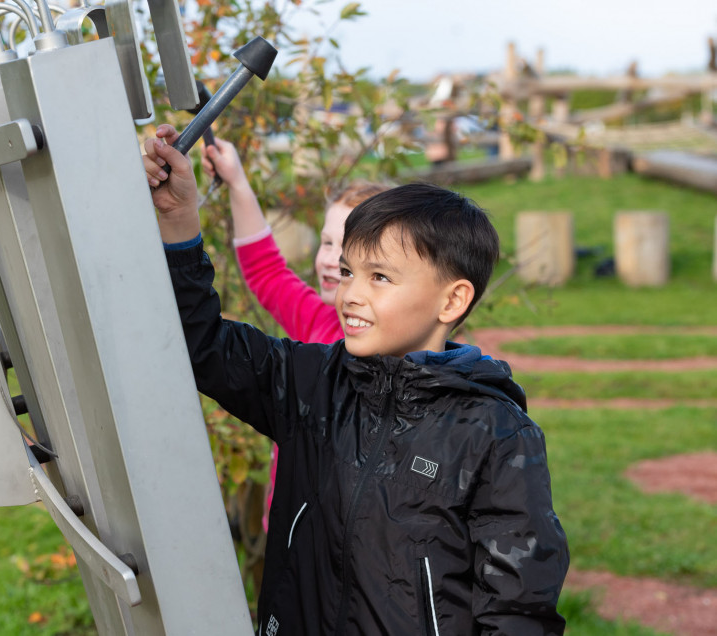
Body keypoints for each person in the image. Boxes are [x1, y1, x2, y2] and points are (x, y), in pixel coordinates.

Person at [144, 124, 569, 635]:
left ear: (452, 300)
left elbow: (517, 610)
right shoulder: (310, 385)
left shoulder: (495, 435)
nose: (350, 294)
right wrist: (178, 222)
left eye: (380, 277)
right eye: (347, 272)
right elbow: (203, 342)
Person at [202, 138, 389, 530]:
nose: (327, 259)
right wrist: (237, 182)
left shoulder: (395, 351)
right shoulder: (317, 321)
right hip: (291, 536)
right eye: (326, 242)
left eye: (346, 246)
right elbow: (266, 271)